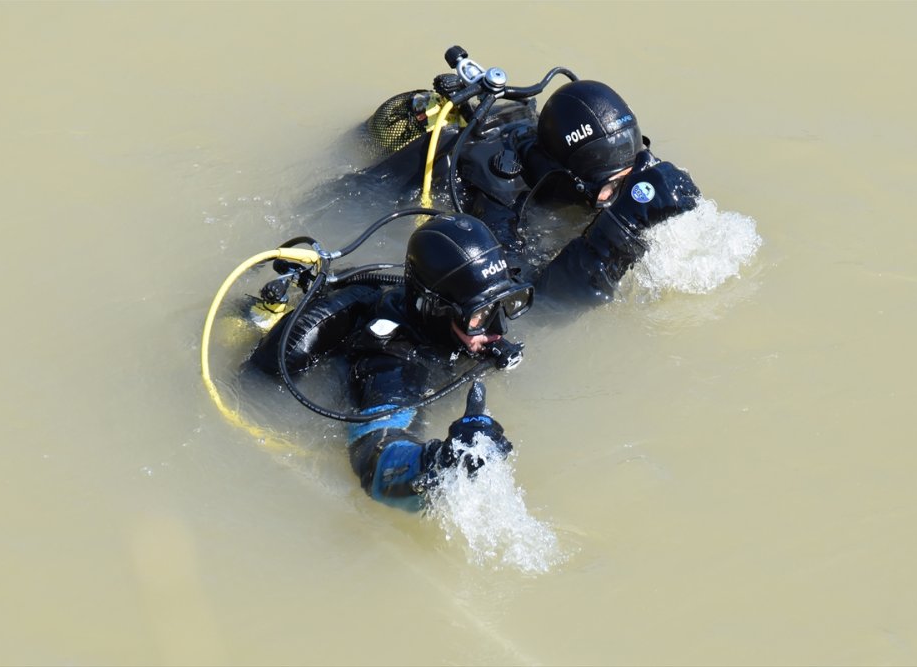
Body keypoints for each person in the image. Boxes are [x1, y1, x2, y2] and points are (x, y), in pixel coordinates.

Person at [250, 213, 533, 509]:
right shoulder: (393, 357)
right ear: (439, 311)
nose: (498, 328)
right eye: (480, 315)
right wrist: (436, 464)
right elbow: (374, 457)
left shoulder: (458, 323)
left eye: (506, 303)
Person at [363, 76, 703, 307]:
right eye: (612, 185)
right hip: (382, 190)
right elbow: (537, 304)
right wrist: (621, 227)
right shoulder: (502, 198)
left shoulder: (590, 162)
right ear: (568, 179)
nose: (623, 192)